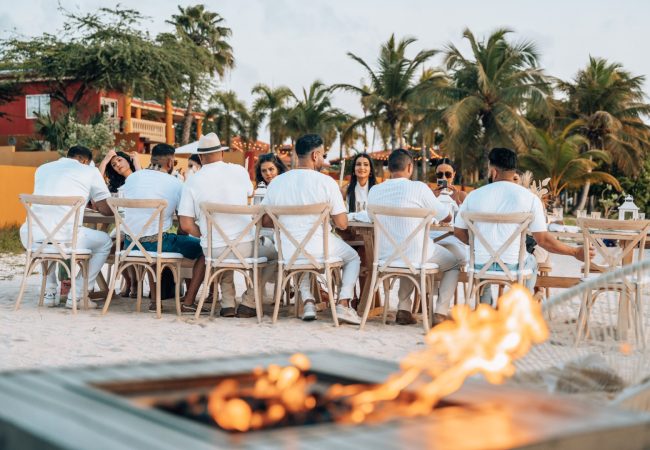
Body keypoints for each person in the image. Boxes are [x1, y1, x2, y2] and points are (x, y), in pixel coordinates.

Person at [454, 147, 593, 304]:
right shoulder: (530, 198)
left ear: (493, 172)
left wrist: (477, 245)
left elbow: (458, 232)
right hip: (514, 266)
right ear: (514, 173)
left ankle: (485, 306)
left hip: (479, 264)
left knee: (482, 264)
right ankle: (521, 306)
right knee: (532, 261)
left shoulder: (473, 196)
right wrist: (575, 252)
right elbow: (543, 240)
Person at [261, 134, 362, 324]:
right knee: (353, 258)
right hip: (319, 249)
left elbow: (265, 221)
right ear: (315, 155)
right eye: (323, 155)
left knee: (302, 251)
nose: (323, 159)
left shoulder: (277, 183)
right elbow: (342, 224)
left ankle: (308, 300)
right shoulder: (326, 183)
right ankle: (343, 303)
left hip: (288, 251)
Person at [178, 132, 278, 318]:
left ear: (200, 157)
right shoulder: (239, 171)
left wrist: (207, 236)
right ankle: (249, 301)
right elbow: (250, 193)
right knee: (275, 253)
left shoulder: (191, 181)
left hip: (212, 250)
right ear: (222, 153)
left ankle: (228, 304)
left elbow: (185, 224)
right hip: (245, 247)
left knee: (222, 249)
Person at [367, 149, 461, 326]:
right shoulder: (419, 188)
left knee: (408, 251)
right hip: (415, 254)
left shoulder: (375, 191)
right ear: (410, 167)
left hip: (385, 257)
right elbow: (447, 217)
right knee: (453, 263)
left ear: (388, 167)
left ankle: (404, 309)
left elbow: (372, 218)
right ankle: (440, 312)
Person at [20, 146, 113, 309]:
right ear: (85, 161)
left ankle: (50, 293)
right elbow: (106, 209)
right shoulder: (90, 171)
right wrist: (98, 205)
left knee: (49, 242)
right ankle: (77, 295)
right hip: (68, 238)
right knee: (105, 241)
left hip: (32, 235)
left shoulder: (42, 169)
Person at [122, 143, 205, 313]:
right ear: (170, 162)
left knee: (156, 236)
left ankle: (154, 301)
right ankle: (189, 301)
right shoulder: (175, 183)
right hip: (156, 245)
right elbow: (184, 221)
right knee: (206, 249)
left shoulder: (132, 178)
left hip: (129, 244)